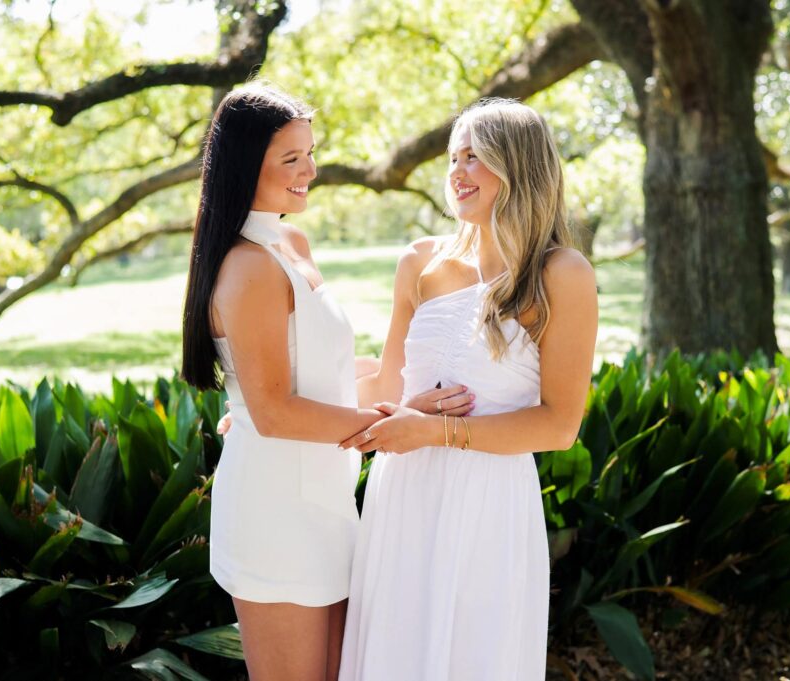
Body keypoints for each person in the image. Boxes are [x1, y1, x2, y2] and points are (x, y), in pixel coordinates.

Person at [180, 83, 471, 681]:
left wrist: (399, 405)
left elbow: (323, 385)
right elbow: (276, 413)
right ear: (244, 165)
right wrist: (393, 428)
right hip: (276, 511)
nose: (309, 170)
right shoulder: (248, 264)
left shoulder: (289, 242)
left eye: (310, 152)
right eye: (290, 158)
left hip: (328, 504)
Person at [337, 99, 598, 680]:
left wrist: (434, 430)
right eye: (453, 157)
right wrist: (263, 411)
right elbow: (383, 387)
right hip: (401, 498)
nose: (457, 171)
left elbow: (559, 425)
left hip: (489, 505)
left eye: (475, 158)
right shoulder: (419, 263)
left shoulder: (561, 275)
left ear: (520, 167)